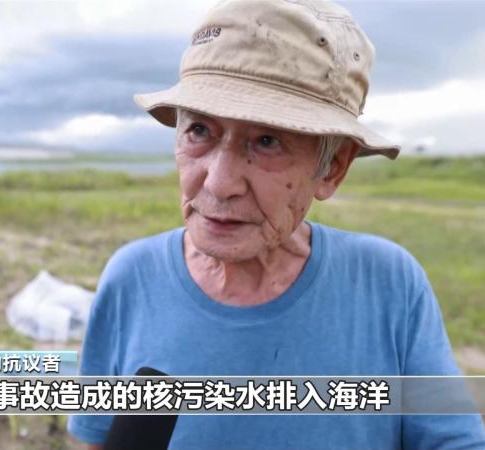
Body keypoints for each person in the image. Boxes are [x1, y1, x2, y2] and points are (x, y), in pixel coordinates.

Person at [67, 0, 485, 448]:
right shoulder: (131, 278)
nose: (220, 182)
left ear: (332, 168)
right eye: (200, 131)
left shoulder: (388, 283)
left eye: (267, 141)